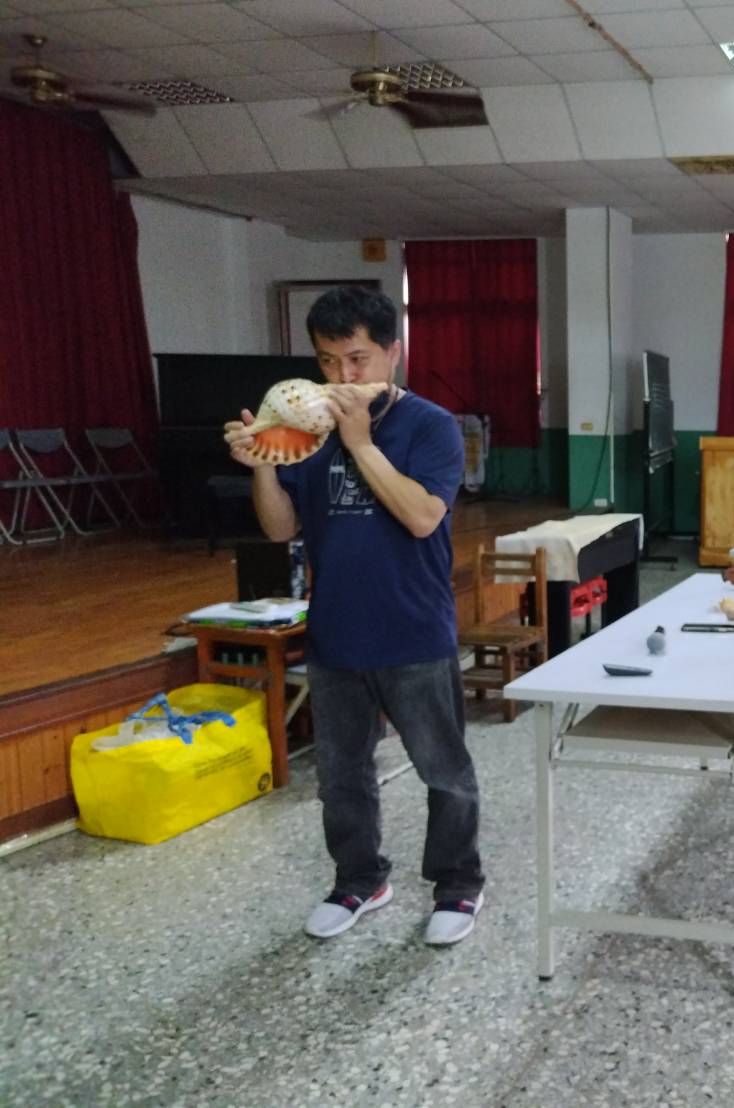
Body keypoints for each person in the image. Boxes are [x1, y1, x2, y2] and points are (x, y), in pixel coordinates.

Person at [223, 286, 486, 946]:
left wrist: (360, 442)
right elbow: (280, 529)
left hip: (414, 630)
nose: (341, 377)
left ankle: (457, 884)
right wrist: (263, 465)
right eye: (327, 361)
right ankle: (359, 879)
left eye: (357, 359)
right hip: (336, 632)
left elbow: (423, 517)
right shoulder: (304, 428)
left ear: (393, 353)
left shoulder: (430, 426)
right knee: (341, 777)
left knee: (444, 771)